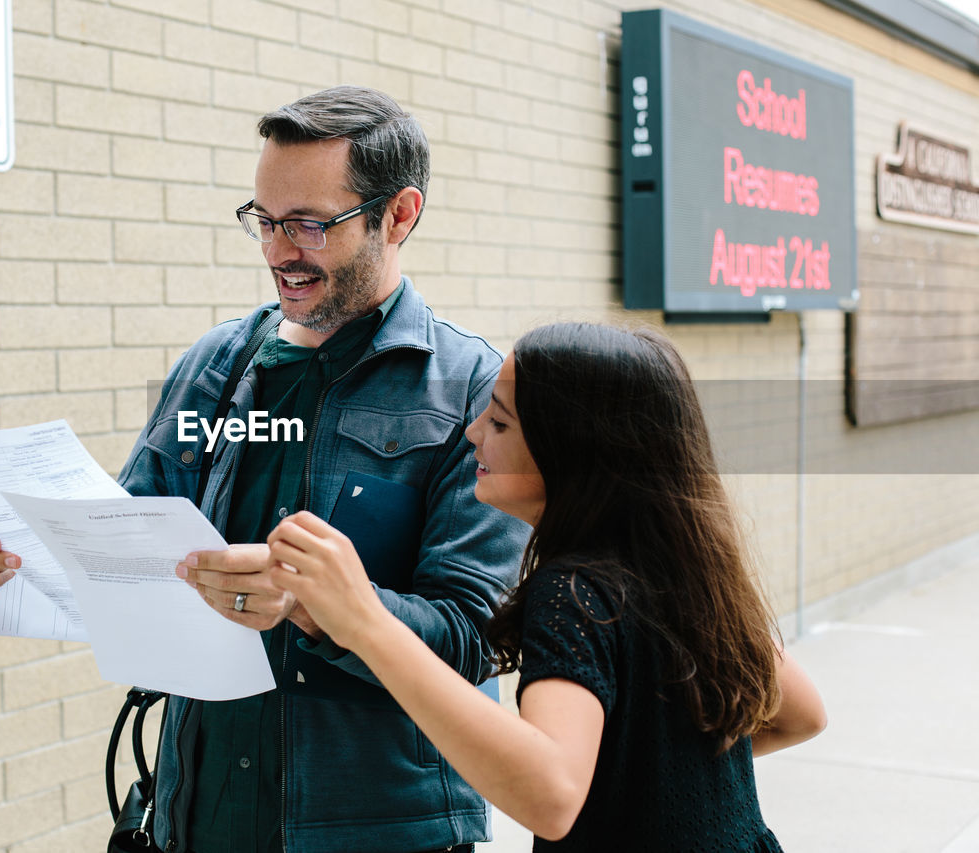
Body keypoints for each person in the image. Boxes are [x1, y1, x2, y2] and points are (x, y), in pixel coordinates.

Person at [0, 86, 528, 853]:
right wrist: (26, 550)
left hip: (381, 831)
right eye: (264, 221)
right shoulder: (217, 365)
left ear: (398, 215)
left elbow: (471, 636)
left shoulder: (470, 390)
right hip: (203, 816)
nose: (277, 251)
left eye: (308, 225)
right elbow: (125, 538)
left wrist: (316, 601)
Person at [268, 322, 828, 851]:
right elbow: (803, 713)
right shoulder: (684, 564)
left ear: (574, 450)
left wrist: (364, 622)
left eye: (501, 423)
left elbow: (551, 795)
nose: (472, 433)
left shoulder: (573, 592)